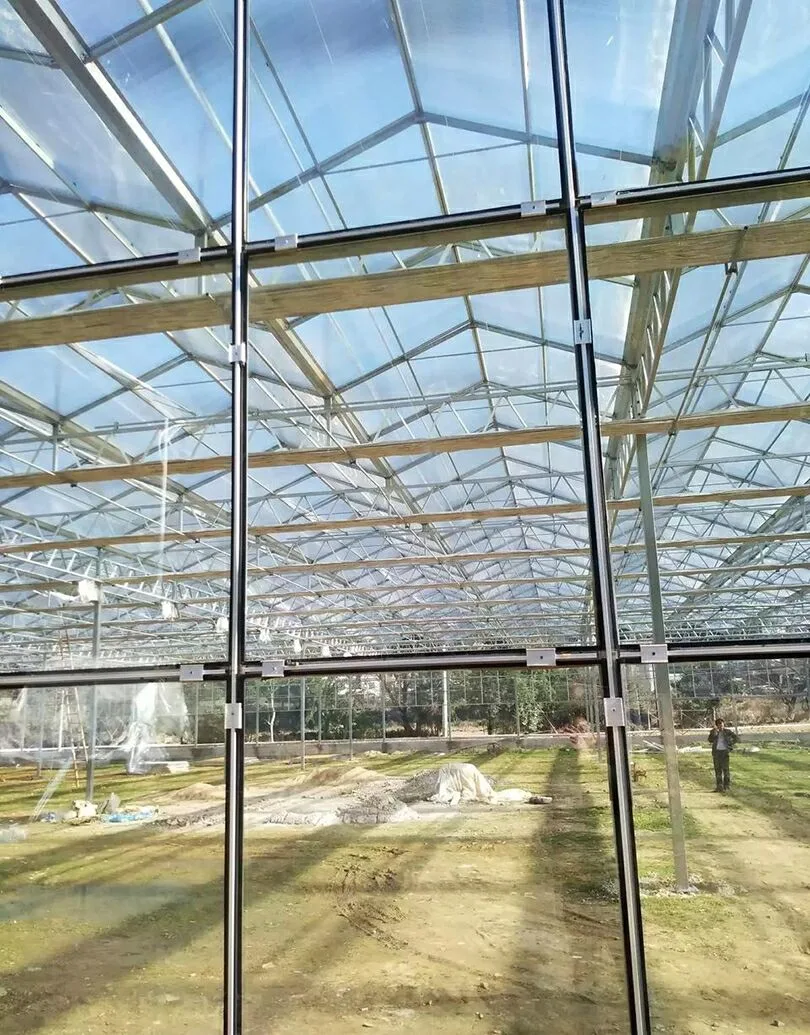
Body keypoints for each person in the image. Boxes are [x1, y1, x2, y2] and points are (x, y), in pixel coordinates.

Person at [708, 717, 738, 792]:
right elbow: (710, 740)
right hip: (716, 753)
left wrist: (730, 744)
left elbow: (736, 738)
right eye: (719, 725)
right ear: (716, 725)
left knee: (726, 770)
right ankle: (719, 786)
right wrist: (714, 732)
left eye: (721, 724)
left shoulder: (727, 732)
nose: (720, 726)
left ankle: (726, 786)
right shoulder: (714, 732)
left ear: (723, 724)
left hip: (724, 752)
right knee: (717, 770)